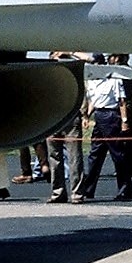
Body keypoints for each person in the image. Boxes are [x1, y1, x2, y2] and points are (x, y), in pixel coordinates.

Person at [75, 53, 132, 202]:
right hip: (99, 115)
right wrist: (87, 116)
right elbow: (92, 100)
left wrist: (124, 120)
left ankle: (125, 189)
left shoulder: (114, 80)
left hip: (111, 116)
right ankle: (88, 189)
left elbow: (121, 101)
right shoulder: (92, 81)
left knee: (118, 154)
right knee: (95, 154)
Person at [46, 51, 86, 204]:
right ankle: (58, 192)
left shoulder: (73, 73)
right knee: (54, 158)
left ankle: (76, 193)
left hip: (71, 117)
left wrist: (70, 53)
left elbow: (93, 59)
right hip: (52, 118)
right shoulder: (47, 76)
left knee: (74, 157)